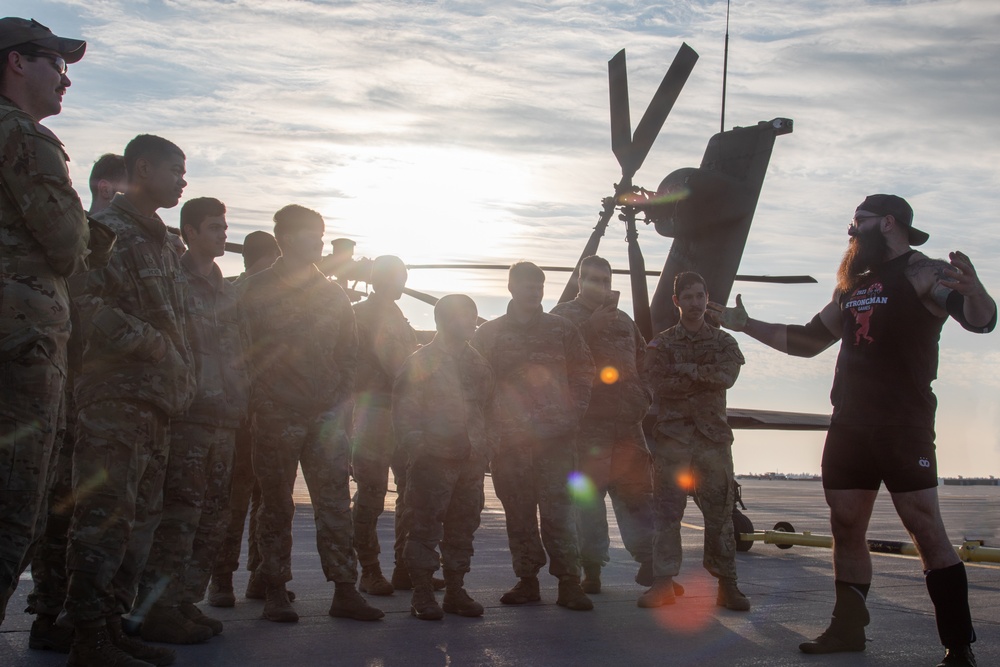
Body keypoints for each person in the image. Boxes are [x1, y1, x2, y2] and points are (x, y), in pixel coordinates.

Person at [710, 194, 995, 667]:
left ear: (887, 223)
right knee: (845, 525)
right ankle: (847, 631)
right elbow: (806, 341)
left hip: (902, 424)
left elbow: (979, 321)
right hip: (848, 424)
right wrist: (747, 325)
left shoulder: (924, 273)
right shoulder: (853, 287)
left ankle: (958, 646)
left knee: (926, 527)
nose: (849, 230)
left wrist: (977, 292)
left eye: (856, 222)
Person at [66, 134, 194, 666]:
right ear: (143, 168)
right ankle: (86, 637)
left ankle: (111, 625)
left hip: (156, 404)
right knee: (104, 518)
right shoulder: (105, 232)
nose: (183, 182)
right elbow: (85, 304)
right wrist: (155, 345)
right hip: (113, 400)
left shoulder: (165, 243)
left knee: (139, 522)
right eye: (176, 171)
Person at [239, 204, 382, 624]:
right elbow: (239, 350)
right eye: (305, 233)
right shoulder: (254, 290)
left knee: (334, 503)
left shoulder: (332, 293)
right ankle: (275, 588)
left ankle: (344, 589)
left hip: (324, 418)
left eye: (319, 233)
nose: (316, 241)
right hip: (275, 413)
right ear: (282, 237)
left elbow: (349, 355)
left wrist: (338, 404)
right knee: (275, 504)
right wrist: (260, 398)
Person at [0, 17, 93, 627]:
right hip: (21, 349)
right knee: (13, 516)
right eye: (56, 64)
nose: (65, 79)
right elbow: (66, 244)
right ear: (15, 63)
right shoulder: (25, 138)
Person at [134, 198, 250, 644]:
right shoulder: (173, 282)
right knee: (178, 516)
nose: (223, 234)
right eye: (214, 227)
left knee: (213, 517)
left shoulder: (228, 291)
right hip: (188, 418)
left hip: (226, 419)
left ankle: (183, 599)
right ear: (190, 233)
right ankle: (155, 608)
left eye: (224, 226)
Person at [25, 154, 126, 653]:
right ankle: (50, 614)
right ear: (107, 188)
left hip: (97, 396)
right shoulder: (86, 242)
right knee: (61, 509)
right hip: (73, 394)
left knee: (86, 511)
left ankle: (79, 616)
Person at [470, 261, 595, 611]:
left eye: (540, 284)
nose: (535, 289)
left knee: (559, 514)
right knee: (519, 515)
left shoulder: (562, 330)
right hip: (510, 444)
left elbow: (585, 372)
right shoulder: (489, 335)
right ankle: (527, 580)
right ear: (511, 287)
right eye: (528, 284)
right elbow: (476, 383)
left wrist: (574, 413)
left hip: (556, 442)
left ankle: (570, 582)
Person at [638, 271, 749, 612]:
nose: (695, 303)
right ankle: (663, 583)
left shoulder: (724, 342)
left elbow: (726, 378)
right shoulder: (662, 343)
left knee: (719, 515)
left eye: (700, 296)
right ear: (677, 302)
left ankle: (727, 585)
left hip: (712, 442)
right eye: (688, 297)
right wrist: (701, 377)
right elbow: (657, 382)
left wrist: (685, 371)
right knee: (667, 513)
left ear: (707, 298)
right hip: (673, 440)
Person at [550, 255, 657, 593]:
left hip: (627, 428)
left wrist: (644, 397)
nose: (599, 285)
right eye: (592, 279)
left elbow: (644, 362)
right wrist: (588, 329)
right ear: (580, 281)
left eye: (605, 279)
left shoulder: (625, 321)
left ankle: (650, 564)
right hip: (587, 429)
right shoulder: (562, 318)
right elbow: (548, 362)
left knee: (637, 496)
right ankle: (591, 570)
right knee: (588, 503)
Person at [393, 294, 494, 620]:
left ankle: (455, 591)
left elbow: (491, 409)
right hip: (433, 461)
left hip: (470, 461)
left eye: (473, 315)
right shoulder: (421, 361)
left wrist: (488, 446)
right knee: (423, 528)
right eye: (464, 316)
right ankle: (422, 594)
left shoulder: (478, 362)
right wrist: (418, 448)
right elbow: (405, 412)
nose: (471, 322)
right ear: (443, 321)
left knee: (463, 528)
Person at [207, 230, 281, 607]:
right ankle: (227, 578)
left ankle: (251, 577)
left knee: (260, 499)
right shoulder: (247, 295)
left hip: (260, 413)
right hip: (250, 414)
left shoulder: (234, 292)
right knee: (247, 500)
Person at [350, 255, 424, 596]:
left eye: (405, 275)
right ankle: (368, 569)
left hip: (399, 416)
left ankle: (405, 568)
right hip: (375, 417)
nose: (403, 281)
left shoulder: (394, 313)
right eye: (398, 276)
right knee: (372, 495)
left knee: (409, 492)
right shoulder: (370, 314)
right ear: (380, 278)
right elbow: (399, 365)